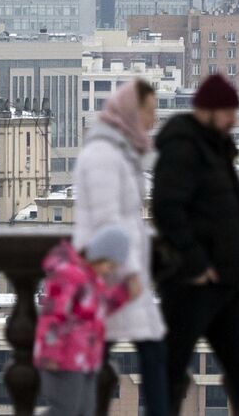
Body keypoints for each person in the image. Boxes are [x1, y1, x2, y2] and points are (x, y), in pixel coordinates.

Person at [153, 75, 239, 416]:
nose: (233, 119)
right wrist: (195, 262)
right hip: (193, 284)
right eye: (227, 111)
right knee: (173, 371)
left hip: (226, 282)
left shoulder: (214, 146)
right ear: (206, 110)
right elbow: (167, 207)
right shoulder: (183, 147)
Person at [73, 79, 168, 416]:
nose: (153, 119)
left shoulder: (118, 149)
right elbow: (106, 220)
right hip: (113, 275)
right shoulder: (104, 154)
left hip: (118, 272)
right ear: (131, 110)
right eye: (149, 110)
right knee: (148, 355)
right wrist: (129, 273)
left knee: (100, 357)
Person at [35, 225, 141, 416]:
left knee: (85, 410)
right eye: (109, 266)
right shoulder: (68, 275)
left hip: (86, 359)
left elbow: (100, 309)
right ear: (98, 255)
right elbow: (53, 316)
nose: (109, 272)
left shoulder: (92, 280)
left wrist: (124, 293)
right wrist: (51, 353)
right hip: (63, 359)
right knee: (65, 410)